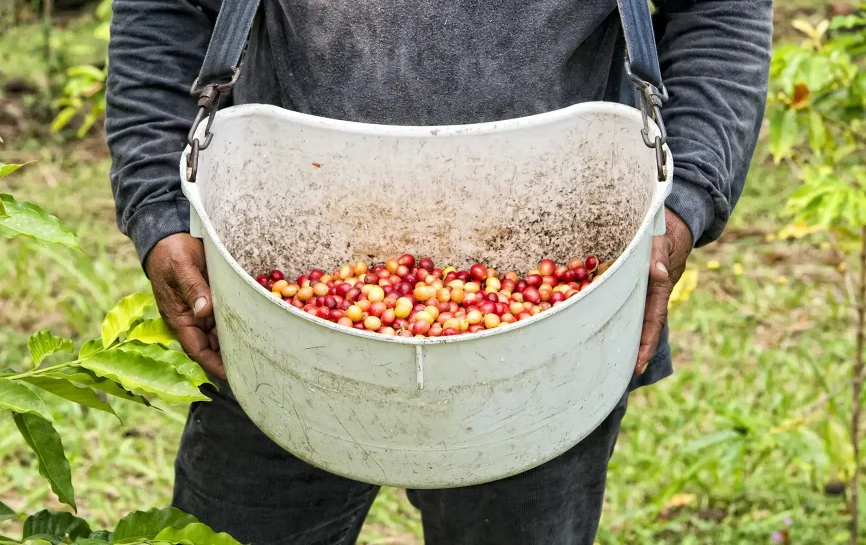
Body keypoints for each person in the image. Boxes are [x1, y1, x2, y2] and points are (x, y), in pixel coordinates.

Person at [105, 1, 773, 543]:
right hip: (275, 290)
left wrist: (683, 203)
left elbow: (720, 12)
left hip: (551, 326)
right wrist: (159, 208)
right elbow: (165, 8)